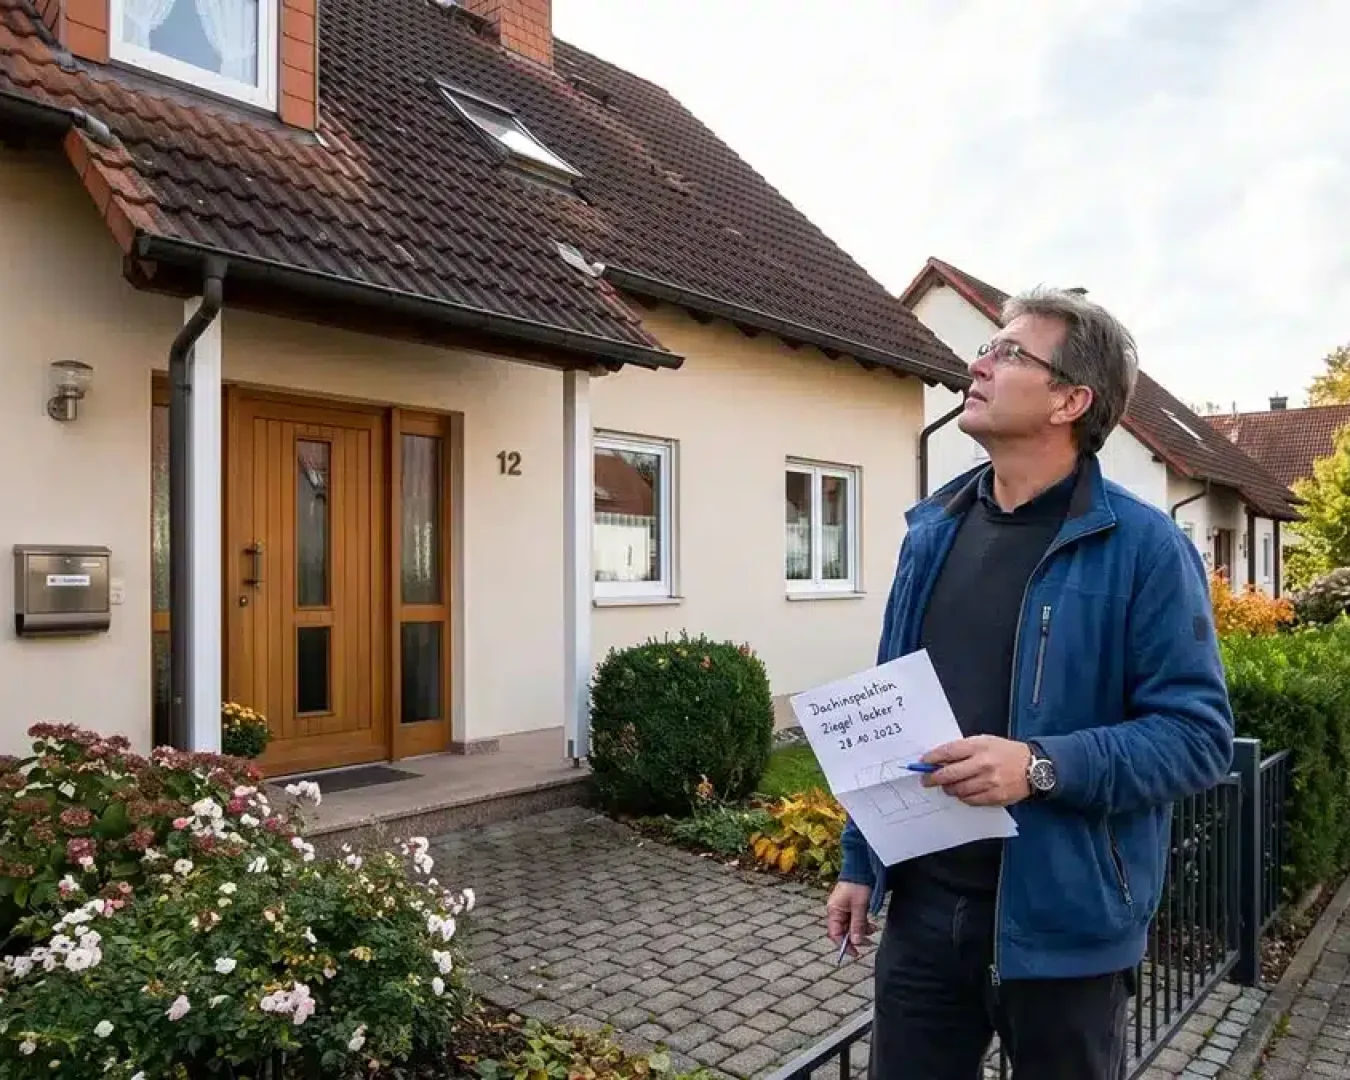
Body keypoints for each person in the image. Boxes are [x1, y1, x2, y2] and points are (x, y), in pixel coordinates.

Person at [826, 286, 1234, 1079]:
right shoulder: (932, 533)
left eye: (1011, 352)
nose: (979, 362)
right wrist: (858, 862)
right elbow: (890, 707)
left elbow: (1198, 738)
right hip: (923, 916)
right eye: (988, 347)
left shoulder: (1143, 547)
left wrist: (1038, 766)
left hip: (1066, 930)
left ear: (1071, 400)